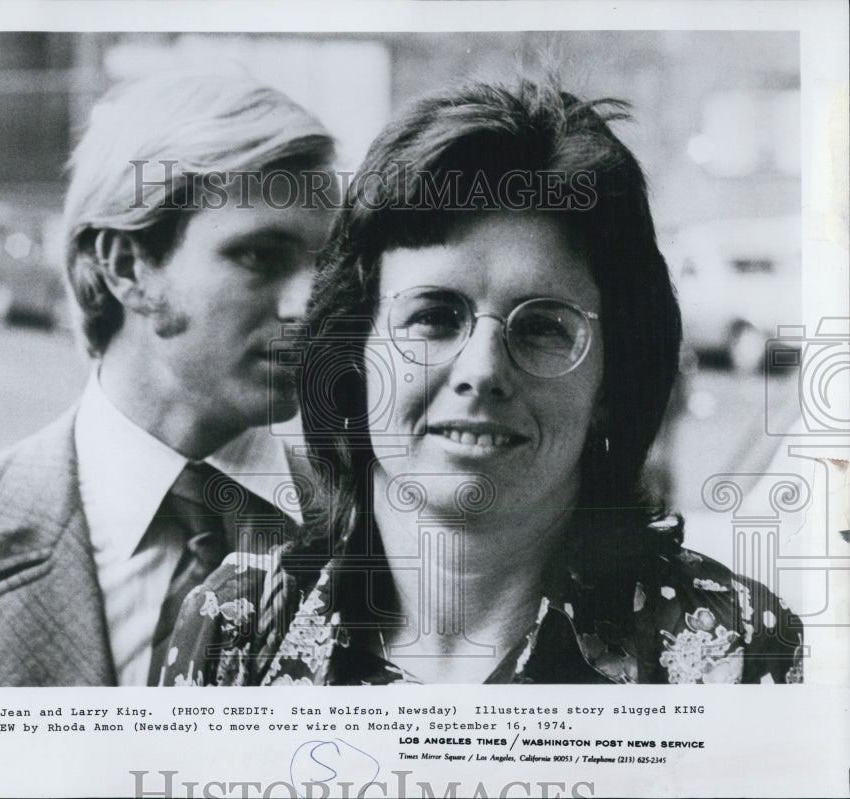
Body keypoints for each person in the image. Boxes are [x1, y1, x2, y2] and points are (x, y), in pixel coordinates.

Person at [157, 78, 804, 686]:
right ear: (352, 356)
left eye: (544, 326)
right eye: (434, 317)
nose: (483, 370)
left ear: (612, 381)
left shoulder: (743, 651)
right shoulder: (233, 631)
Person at [0, 69, 337, 686]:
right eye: (260, 257)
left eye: (328, 265)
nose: (308, 305)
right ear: (128, 266)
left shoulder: (378, 543)